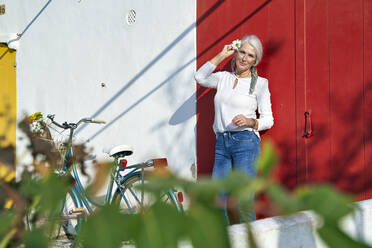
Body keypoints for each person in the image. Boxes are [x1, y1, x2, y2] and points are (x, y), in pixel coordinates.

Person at [194, 35, 274, 223]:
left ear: (255, 61)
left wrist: (250, 121)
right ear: (236, 52)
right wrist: (222, 54)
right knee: (217, 200)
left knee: (244, 201)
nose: (244, 58)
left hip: (246, 144)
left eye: (250, 56)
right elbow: (199, 76)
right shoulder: (223, 78)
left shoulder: (260, 84)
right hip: (222, 143)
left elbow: (269, 119)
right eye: (242, 52)